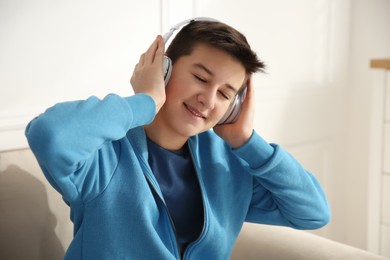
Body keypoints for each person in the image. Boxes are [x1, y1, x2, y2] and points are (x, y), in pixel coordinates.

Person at [25, 18, 330, 260]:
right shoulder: (104, 156)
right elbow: (49, 134)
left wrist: (246, 141)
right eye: (200, 77)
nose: (209, 100)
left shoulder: (228, 166)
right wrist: (146, 101)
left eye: (225, 94)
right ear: (164, 68)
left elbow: (313, 213)